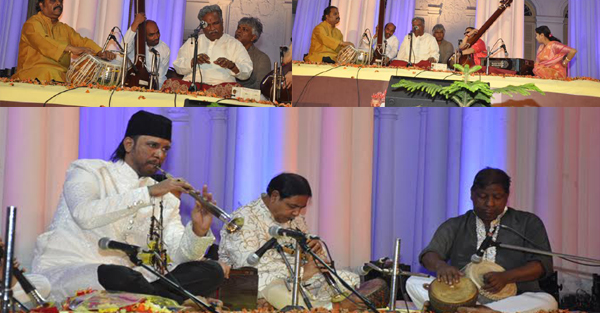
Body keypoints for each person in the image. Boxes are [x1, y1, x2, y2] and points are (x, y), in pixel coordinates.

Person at [31, 111, 227, 302]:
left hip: (134, 279)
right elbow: (84, 214)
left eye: (165, 149)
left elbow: (178, 254)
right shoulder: (88, 171)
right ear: (128, 144)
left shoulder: (165, 198)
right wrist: (148, 193)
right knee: (118, 276)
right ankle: (159, 301)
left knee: (212, 271)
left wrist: (198, 231)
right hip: (75, 268)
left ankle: (150, 300)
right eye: (153, 145)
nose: (159, 154)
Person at [406, 168, 558, 313]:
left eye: (497, 197)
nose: (489, 203)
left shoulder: (527, 222)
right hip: (460, 298)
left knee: (546, 301)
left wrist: (506, 277)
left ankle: (482, 311)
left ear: (507, 196)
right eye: (483, 196)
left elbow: (542, 264)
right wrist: (441, 266)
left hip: (514, 298)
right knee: (413, 282)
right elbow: (429, 254)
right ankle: (472, 309)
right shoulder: (456, 224)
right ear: (472, 194)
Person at [219, 173, 371, 310]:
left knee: (349, 279)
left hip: (296, 279)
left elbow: (309, 255)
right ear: (275, 196)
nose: (297, 213)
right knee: (270, 286)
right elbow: (249, 267)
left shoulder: (295, 219)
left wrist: (315, 252)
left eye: (301, 208)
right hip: (258, 283)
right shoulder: (243, 219)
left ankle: (329, 306)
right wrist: (302, 272)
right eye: (292, 206)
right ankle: (331, 308)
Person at [12, 0, 115, 82]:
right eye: (53, 0)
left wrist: (101, 52)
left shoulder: (65, 29)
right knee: (50, 72)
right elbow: (43, 41)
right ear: (41, 5)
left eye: (60, 1)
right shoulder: (32, 24)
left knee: (87, 77)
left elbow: (83, 42)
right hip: (34, 72)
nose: (58, 3)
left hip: (60, 74)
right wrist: (71, 48)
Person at [167, 5, 252, 97]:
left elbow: (247, 71)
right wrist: (192, 62)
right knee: (169, 83)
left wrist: (232, 66)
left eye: (216, 23)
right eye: (207, 25)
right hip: (193, 85)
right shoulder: (193, 41)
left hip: (221, 87)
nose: (212, 28)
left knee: (234, 89)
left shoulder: (235, 44)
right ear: (202, 26)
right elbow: (178, 66)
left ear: (222, 22)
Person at [121, 13, 170, 89]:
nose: (156, 37)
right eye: (151, 35)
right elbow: (124, 48)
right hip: (130, 83)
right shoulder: (136, 43)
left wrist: (157, 91)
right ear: (143, 35)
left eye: (157, 32)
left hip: (150, 87)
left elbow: (160, 76)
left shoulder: (165, 49)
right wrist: (136, 23)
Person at [234, 17, 271, 89]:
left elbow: (261, 85)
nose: (238, 31)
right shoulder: (226, 50)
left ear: (253, 37)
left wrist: (237, 88)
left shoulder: (262, 58)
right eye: (238, 28)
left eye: (244, 29)